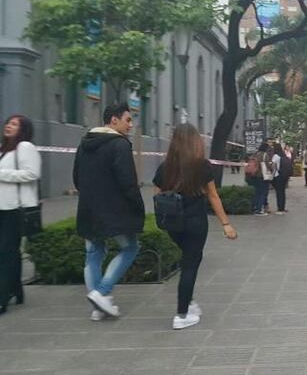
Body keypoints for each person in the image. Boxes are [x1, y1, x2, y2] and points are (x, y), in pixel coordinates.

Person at [153, 124, 238, 329]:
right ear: (195, 142)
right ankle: (182, 315)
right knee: (190, 264)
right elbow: (213, 196)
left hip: (172, 224)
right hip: (195, 222)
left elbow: (156, 195)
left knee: (190, 259)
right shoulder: (202, 166)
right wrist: (226, 224)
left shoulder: (165, 167)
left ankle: (189, 302)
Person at [73, 103, 144, 320]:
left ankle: (97, 308)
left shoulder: (85, 143)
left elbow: (76, 177)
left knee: (93, 253)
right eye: (128, 119)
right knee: (130, 248)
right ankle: (102, 292)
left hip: (88, 208)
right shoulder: (120, 145)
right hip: (114, 210)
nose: (130, 125)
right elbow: (128, 182)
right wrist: (137, 206)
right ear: (114, 120)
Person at [0, 115, 40, 316]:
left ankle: (3, 296)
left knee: (6, 252)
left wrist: (1, 173)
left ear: (23, 129)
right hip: (2, 207)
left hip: (15, 209)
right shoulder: (4, 149)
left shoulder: (25, 147)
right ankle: (16, 289)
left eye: (14, 124)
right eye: (8, 123)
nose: (8, 126)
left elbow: (32, 173)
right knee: (9, 251)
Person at [250, 143, 274, 216]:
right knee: (263, 192)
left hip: (255, 175)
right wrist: (272, 168)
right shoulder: (265, 155)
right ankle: (259, 209)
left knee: (257, 192)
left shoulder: (255, 154)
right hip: (263, 176)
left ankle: (255, 208)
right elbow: (268, 165)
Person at [271, 144, 291, 215]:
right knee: (282, 192)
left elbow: (273, 167)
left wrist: (271, 176)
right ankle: (282, 208)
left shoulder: (275, 156)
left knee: (279, 193)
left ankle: (279, 209)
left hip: (278, 176)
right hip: (285, 176)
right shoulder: (284, 155)